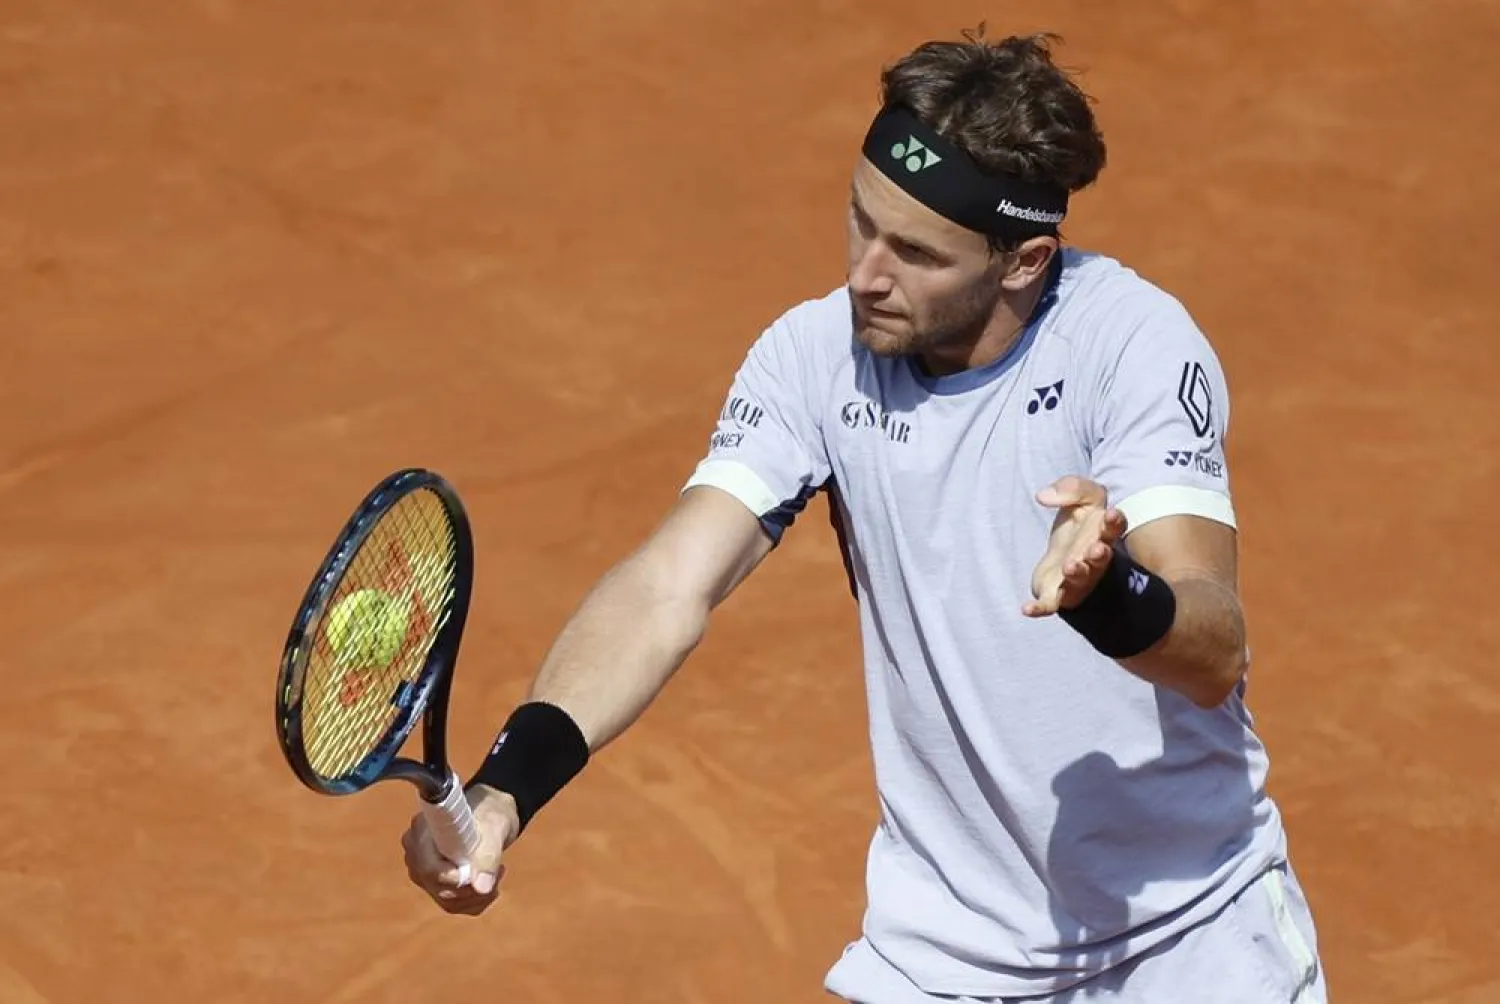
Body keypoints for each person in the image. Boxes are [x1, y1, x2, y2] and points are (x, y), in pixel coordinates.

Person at [401, 27, 1328, 1003]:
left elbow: (1213, 645)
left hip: (1184, 945)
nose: (865, 274)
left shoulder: (1128, 346)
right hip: (942, 960)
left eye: (916, 252)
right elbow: (667, 585)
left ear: (1024, 260)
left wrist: (1111, 596)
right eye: (861, 220)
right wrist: (507, 789)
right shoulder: (814, 356)